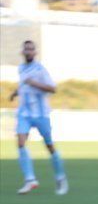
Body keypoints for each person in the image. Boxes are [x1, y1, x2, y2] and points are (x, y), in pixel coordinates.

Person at [10, 40, 67, 195]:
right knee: (21, 143)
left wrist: (34, 83)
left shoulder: (40, 69)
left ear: (35, 53)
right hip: (24, 114)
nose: (28, 51)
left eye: (31, 49)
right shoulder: (21, 68)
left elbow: (52, 88)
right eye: (26, 49)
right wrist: (15, 93)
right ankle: (30, 180)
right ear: (23, 52)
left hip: (41, 114)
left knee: (49, 146)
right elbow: (23, 85)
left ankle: (60, 177)